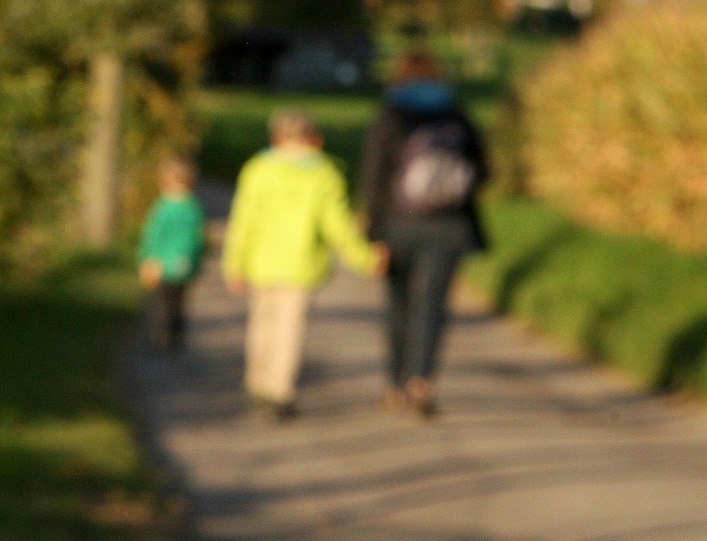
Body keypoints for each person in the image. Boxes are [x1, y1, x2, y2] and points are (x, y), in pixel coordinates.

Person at [223, 109, 385, 420]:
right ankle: (280, 391)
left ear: (276, 137)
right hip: (300, 265)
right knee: (289, 328)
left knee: (261, 324)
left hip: (261, 263)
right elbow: (338, 225)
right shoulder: (323, 174)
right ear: (311, 137)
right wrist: (365, 258)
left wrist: (234, 264)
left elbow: (242, 222)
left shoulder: (257, 170)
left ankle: (258, 383)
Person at [360, 49, 488, 419]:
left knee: (398, 304)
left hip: (399, 223)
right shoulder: (457, 113)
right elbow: (482, 168)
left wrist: (374, 231)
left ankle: (394, 383)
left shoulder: (391, 114)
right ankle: (421, 382)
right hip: (448, 225)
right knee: (432, 305)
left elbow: (375, 176)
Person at [137, 157, 207, 351]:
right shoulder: (193, 207)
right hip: (181, 265)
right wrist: (197, 264)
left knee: (163, 303)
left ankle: (162, 338)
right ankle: (173, 337)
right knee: (177, 303)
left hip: (165, 265)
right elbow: (199, 240)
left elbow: (152, 236)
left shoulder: (163, 207)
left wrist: (147, 259)